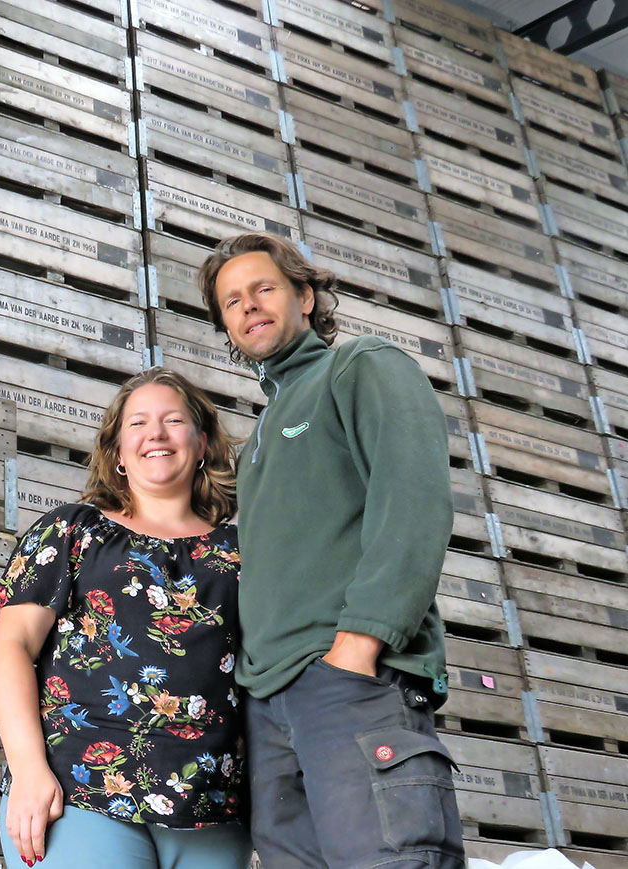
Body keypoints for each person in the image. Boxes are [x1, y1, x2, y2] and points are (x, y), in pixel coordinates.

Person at [198, 232, 465, 869]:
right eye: (231, 302)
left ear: (307, 295)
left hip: (346, 680)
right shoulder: (260, 435)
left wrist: (361, 643)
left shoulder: (360, 367)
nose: (249, 307)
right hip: (268, 703)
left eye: (263, 288)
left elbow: (413, 503)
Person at [0, 368, 252, 869]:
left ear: (201, 445)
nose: (156, 433)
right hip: (79, 790)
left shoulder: (243, 553)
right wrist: (27, 771)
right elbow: (9, 648)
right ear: (116, 453)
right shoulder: (71, 531)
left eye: (174, 420)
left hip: (215, 808)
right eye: (138, 423)